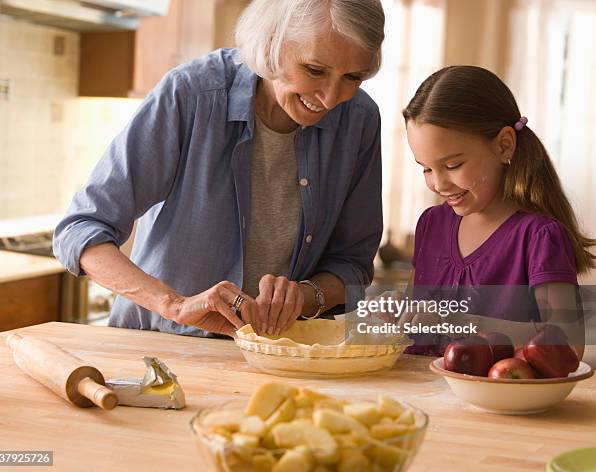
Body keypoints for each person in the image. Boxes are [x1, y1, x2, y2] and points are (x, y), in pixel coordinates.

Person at [53, 0, 385, 338]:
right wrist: (176, 305)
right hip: (162, 346)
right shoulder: (192, 93)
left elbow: (353, 264)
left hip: (279, 355)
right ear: (271, 45)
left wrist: (305, 296)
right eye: (315, 70)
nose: (330, 98)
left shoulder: (359, 121)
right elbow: (80, 229)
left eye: (352, 77)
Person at [396, 65, 594, 357]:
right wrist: (395, 311)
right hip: (419, 397)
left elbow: (567, 342)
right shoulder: (431, 224)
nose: (437, 183)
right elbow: (418, 315)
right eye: (426, 168)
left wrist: (457, 323)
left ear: (504, 145)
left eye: (452, 165)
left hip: (495, 401)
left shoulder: (540, 236)